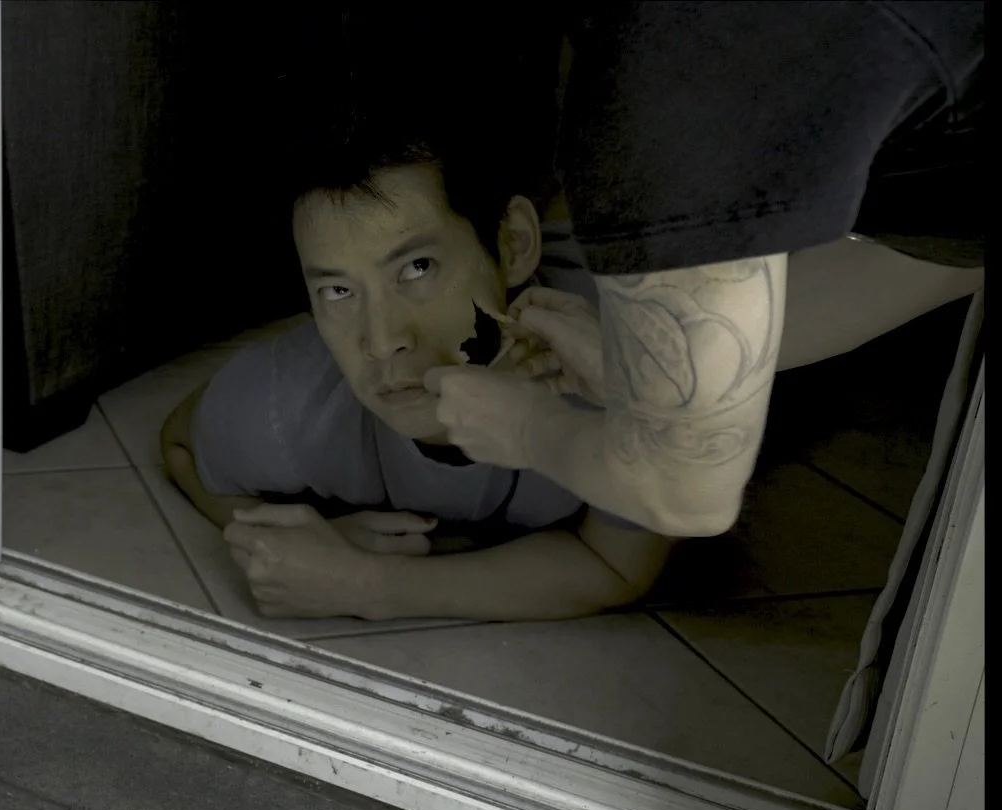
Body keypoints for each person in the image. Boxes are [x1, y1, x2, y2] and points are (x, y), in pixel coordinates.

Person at [423, 1, 984, 538]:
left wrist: (531, 430)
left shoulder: (671, 76)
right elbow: (949, 247)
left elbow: (685, 494)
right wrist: (660, 367)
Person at [157, 93, 677, 622]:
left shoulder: (615, 362)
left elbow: (616, 565)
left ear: (513, 244)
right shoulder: (293, 397)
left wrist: (370, 585)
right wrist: (290, 543)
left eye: (418, 267)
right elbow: (179, 443)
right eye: (338, 291)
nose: (382, 342)